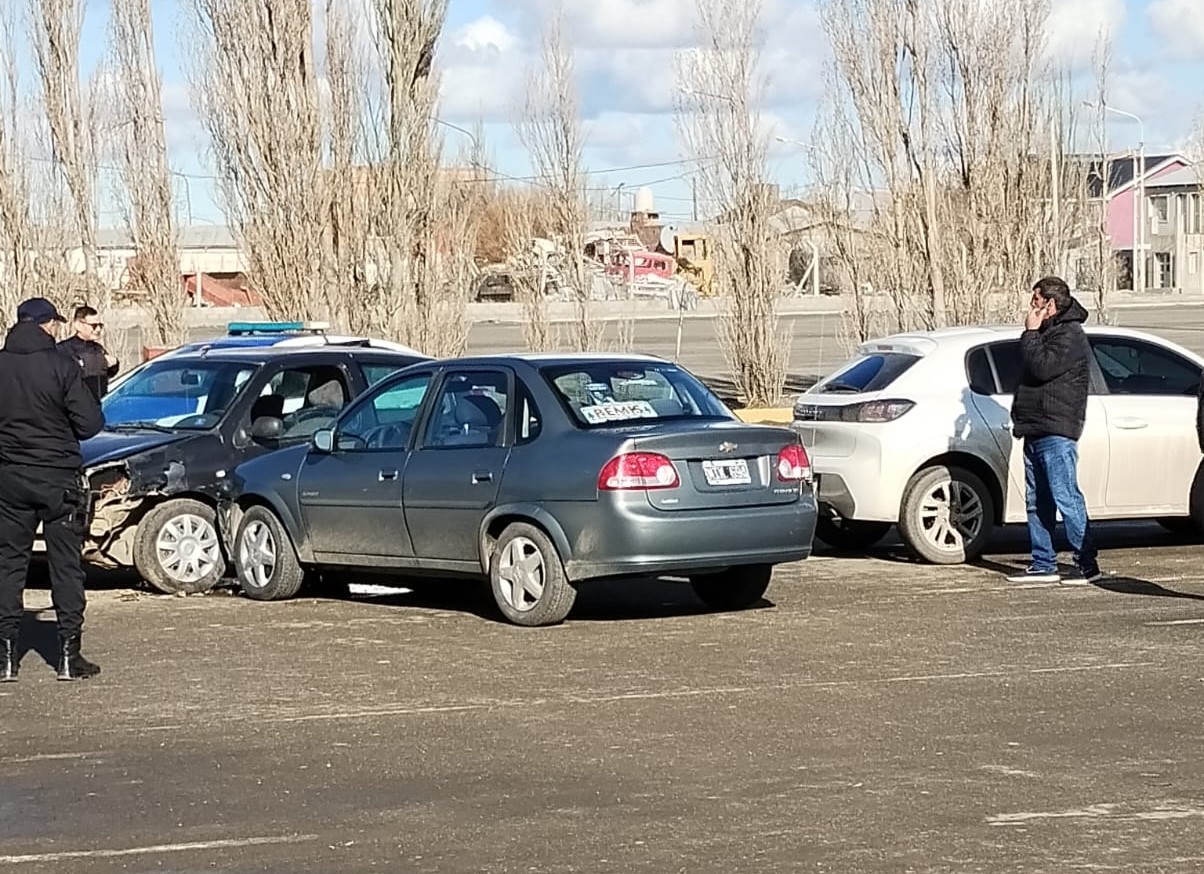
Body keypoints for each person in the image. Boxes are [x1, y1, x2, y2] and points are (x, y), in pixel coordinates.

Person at [0, 297, 105, 682]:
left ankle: (5, 657)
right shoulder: (62, 365)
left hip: (9, 478)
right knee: (65, 565)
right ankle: (68, 655)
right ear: (46, 324)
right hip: (58, 478)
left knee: (9, 564)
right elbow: (90, 425)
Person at [1006, 276, 1102, 586]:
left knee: (1066, 496)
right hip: (1035, 427)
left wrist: (1031, 333)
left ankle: (1086, 563)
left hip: (1057, 429)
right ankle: (1043, 562)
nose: (1030, 306)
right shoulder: (1046, 333)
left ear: (1050, 304)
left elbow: (1042, 368)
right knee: (1037, 501)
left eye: (1035, 300)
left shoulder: (1070, 334)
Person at [59, 304, 119, 400]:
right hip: (76, 409)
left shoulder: (98, 349)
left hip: (99, 405)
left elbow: (109, 374)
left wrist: (115, 363)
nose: (98, 329)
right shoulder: (64, 349)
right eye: (94, 326)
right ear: (78, 325)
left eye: (100, 325)